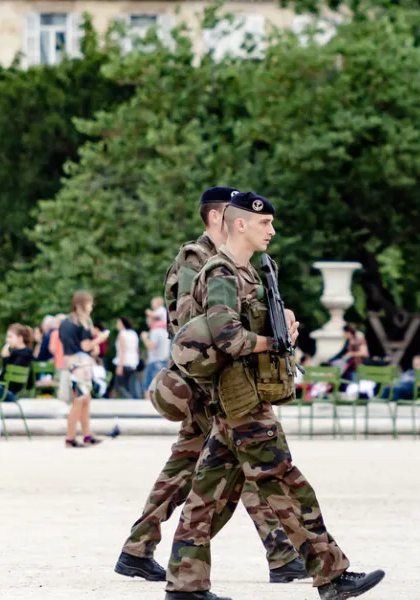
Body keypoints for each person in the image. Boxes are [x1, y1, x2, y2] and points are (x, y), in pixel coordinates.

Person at [163, 191, 383, 600]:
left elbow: (250, 325)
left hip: (238, 401)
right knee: (288, 483)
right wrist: (273, 343)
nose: (272, 230)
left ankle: (185, 585)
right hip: (242, 399)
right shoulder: (222, 272)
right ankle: (332, 576)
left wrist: (283, 328)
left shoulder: (250, 271)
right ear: (240, 224)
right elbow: (228, 336)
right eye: (265, 223)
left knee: (207, 496)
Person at [116, 187, 307, 586]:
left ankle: (138, 548)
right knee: (245, 461)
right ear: (219, 216)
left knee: (190, 465)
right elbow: (193, 324)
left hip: (222, 380)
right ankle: (281, 553)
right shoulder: (197, 259)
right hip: (204, 381)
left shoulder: (236, 261)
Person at [59, 291, 110, 447]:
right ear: (81, 304)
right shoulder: (83, 322)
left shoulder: (65, 322)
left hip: (71, 362)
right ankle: (70, 438)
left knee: (85, 399)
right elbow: (85, 346)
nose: (91, 307)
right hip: (81, 364)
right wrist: (100, 339)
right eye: (89, 303)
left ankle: (87, 435)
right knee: (80, 400)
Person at [113, 317, 142, 399]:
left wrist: (120, 366)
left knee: (119, 385)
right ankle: (134, 399)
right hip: (133, 362)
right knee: (130, 385)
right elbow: (137, 349)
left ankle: (130, 399)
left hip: (124, 362)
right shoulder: (133, 334)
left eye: (118, 323)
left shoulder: (122, 334)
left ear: (122, 324)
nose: (117, 325)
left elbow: (122, 350)